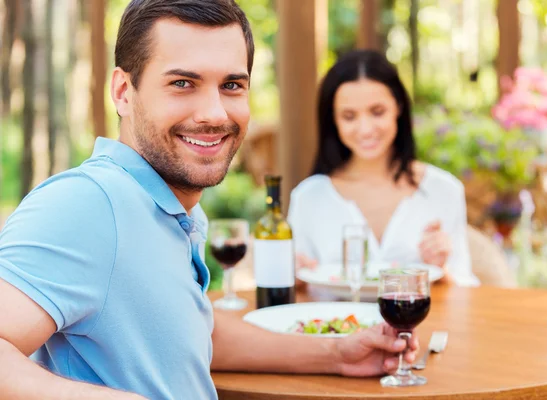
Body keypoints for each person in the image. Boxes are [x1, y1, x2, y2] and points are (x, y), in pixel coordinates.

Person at [0, 2, 418, 399]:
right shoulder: (86, 204)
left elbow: (189, 332)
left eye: (232, 85)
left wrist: (338, 355)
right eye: (183, 83)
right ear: (124, 91)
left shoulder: (170, 206)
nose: (215, 113)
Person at [288, 50, 480, 287]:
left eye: (377, 112)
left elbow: (466, 293)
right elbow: (296, 290)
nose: (366, 129)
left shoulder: (443, 190)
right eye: (349, 116)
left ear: (398, 107)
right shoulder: (308, 197)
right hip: (338, 324)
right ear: (333, 121)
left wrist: (442, 269)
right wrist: (293, 276)